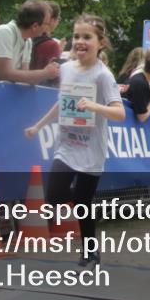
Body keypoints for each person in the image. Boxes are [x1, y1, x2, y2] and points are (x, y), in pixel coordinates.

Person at [23, 14, 124, 269]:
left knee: (82, 202)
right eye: (76, 36)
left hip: (91, 149)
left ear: (101, 43)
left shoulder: (103, 75)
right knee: (54, 195)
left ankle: (90, 251)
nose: (80, 41)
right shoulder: (66, 68)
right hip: (67, 145)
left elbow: (119, 113)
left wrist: (93, 106)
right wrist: (38, 126)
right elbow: (62, 102)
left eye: (87, 37)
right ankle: (82, 207)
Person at [0, 0, 60, 84]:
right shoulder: (5, 32)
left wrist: (48, 72)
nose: (47, 27)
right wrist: (44, 73)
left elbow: (24, 77)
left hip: (4, 91)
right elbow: (5, 74)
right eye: (46, 24)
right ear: (35, 26)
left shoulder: (28, 41)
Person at [30, 2, 63, 87]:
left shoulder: (28, 38)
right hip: (43, 90)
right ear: (51, 20)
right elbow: (56, 77)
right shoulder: (51, 45)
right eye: (58, 19)